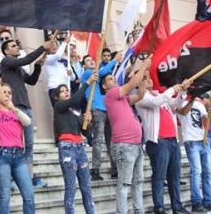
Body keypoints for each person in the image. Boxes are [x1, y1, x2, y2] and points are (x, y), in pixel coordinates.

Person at [135, 75, 192, 214]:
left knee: (175, 176)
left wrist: (183, 90)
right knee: (159, 176)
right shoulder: (140, 97)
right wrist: (173, 88)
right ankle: (159, 208)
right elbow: (155, 102)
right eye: (144, 78)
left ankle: (177, 207)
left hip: (173, 140)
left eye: (149, 77)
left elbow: (177, 104)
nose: (148, 79)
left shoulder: (161, 95)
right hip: (158, 142)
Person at [0, 38, 52, 188]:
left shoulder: (18, 68)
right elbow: (25, 60)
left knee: (28, 145)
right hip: (14, 109)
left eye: (17, 45)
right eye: (13, 46)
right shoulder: (6, 62)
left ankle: (29, 178)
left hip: (26, 108)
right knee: (14, 145)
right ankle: (10, 179)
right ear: (6, 51)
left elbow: (32, 81)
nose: (17, 47)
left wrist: (37, 66)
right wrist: (42, 47)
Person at [104, 59, 150, 214]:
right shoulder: (110, 94)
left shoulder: (122, 98)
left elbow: (141, 94)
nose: (114, 79)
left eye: (114, 77)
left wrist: (144, 78)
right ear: (104, 87)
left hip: (136, 145)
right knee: (125, 183)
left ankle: (139, 210)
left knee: (138, 181)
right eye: (110, 79)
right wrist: (143, 66)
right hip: (124, 145)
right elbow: (132, 85)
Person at [0, 77, 35, 214]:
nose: (7, 94)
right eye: (4, 92)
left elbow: (27, 122)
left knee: (29, 196)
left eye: (9, 93)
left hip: (19, 156)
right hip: (0, 155)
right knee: (5, 196)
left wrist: (14, 108)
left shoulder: (16, 112)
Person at [177, 93, 211, 212]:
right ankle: (196, 202)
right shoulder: (178, 102)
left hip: (204, 140)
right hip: (191, 141)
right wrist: (191, 100)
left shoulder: (200, 104)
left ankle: (208, 201)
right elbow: (182, 112)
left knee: (208, 172)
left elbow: (208, 124)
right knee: (196, 171)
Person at [53, 83, 95, 214]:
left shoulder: (76, 112)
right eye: (62, 91)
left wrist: (88, 121)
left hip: (80, 148)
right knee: (71, 187)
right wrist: (87, 83)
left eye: (67, 90)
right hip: (67, 148)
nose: (66, 92)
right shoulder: (58, 106)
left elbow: (87, 134)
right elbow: (75, 99)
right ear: (56, 97)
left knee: (86, 188)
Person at [80, 53, 119, 180]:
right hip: (97, 111)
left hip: (107, 111)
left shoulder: (96, 84)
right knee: (98, 140)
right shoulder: (87, 74)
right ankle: (95, 170)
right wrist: (114, 61)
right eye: (89, 60)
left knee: (111, 142)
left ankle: (115, 170)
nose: (92, 62)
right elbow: (102, 72)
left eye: (93, 60)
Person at [45, 37, 71, 106]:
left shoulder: (64, 60)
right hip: (55, 88)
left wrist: (71, 74)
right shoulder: (48, 58)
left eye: (55, 44)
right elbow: (58, 55)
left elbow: (73, 78)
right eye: (51, 45)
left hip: (66, 89)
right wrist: (65, 42)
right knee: (60, 112)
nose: (54, 46)